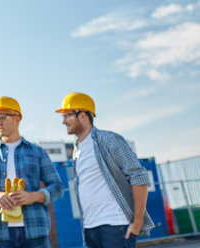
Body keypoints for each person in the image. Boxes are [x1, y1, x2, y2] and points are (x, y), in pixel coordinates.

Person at [55, 92, 154, 248]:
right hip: (89, 229)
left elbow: (138, 175)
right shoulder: (77, 150)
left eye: (67, 116)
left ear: (82, 115)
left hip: (115, 226)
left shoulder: (107, 139)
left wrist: (138, 222)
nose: (64, 121)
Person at [0, 96, 63, 248]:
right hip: (1, 234)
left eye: (3, 117)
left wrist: (33, 196)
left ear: (17, 118)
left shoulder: (37, 152)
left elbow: (57, 187)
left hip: (36, 232)